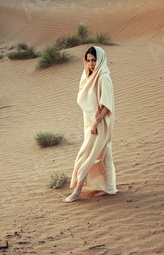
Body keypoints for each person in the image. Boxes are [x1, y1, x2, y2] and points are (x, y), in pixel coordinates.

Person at [63, 46, 118, 203]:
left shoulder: (103, 78)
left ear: (100, 59)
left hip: (99, 124)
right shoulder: (91, 76)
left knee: (86, 156)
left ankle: (77, 191)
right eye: (88, 60)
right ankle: (109, 188)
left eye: (94, 60)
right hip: (92, 124)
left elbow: (107, 106)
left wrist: (96, 123)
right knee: (104, 155)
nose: (91, 64)